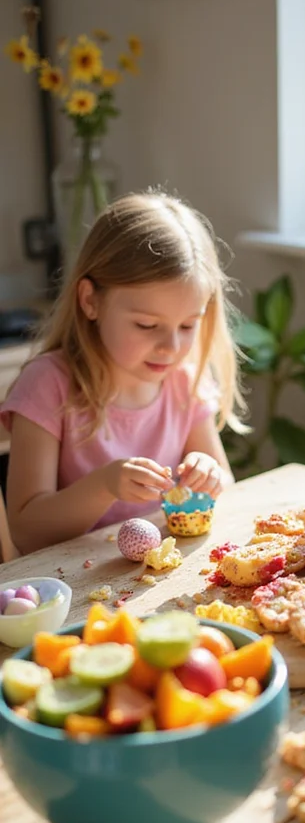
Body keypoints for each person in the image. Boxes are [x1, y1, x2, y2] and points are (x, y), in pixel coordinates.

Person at [1, 191, 245, 554]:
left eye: (188, 325)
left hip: (158, 577)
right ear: (90, 301)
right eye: (147, 325)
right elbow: (26, 531)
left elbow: (225, 481)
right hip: (78, 586)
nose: (171, 347)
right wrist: (103, 486)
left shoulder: (184, 378)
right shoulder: (48, 385)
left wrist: (208, 475)